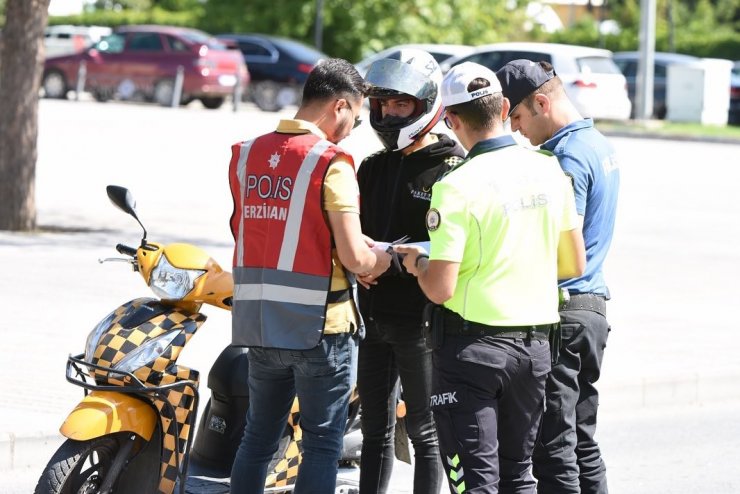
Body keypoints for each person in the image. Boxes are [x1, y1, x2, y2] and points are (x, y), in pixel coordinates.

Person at [395, 61, 586, 493]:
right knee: (518, 475)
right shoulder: (549, 168)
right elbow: (573, 263)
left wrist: (416, 264)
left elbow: (440, 288)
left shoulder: (456, 185)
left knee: (475, 483)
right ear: (503, 106)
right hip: (535, 347)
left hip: (472, 352)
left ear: (452, 120)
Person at [227, 58, 392, 494]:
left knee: (258, 438)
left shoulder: (246, 155)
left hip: (261, 325)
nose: (353, 129)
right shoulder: (331, 163)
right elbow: (356, 257)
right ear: (340, 106)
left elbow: (264, 231)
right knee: (321, 443)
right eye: (355, 118)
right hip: (323, 329)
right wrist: (387, 258)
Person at [496, 59, 619, 494]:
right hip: (592, 310)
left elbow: (559, 243)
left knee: (554, 449)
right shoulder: (597, 142)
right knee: (582, 442)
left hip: (563, 313)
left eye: (518, 117)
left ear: (542, 102)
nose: (516, 131)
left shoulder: (563, 156)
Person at [355, 48, 465, 494]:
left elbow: (452, 246)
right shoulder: (372, 167)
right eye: (383, 104)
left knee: (426, 432)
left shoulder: (452, 166)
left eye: (401, 104)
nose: (389, 113)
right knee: (374, 432)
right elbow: (351, 232)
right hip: (372, 318)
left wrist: (391, 258)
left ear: (424, 104)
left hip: (422, 321)